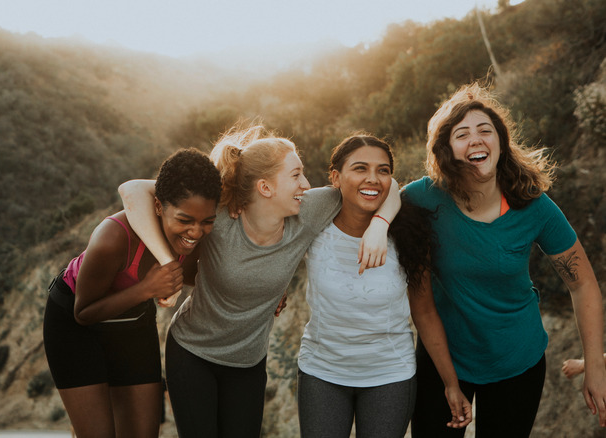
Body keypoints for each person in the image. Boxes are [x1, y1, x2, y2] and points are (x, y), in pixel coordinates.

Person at [118, 125, 400, 438]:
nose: (306, 184)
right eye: (295, 175)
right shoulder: (221, 215)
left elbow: (387, 185)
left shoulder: (309, 211)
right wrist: (168, 263)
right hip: (192, 353)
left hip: (248, 364)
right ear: (265, 187)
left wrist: (379, 225)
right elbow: (132, 190)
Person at [404, 83, 606, 437]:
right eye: (462, 134)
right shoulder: (424, 198)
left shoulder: (533, 205)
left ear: (500, 141)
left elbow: (583, 283)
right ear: (447, 149)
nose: (476, 139)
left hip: (517, 359)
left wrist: (596, 367)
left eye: (485, 130)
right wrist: (376, 226)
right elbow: (379, 195)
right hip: (443, 359)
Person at [296, 134, 472, 438]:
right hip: (321, 371)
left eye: (383, 170)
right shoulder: (313, 222)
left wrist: (451, 383)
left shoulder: (409, 235)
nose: (373, 179)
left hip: (390, 375)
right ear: (336, 178)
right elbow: (272, 245)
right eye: (360, 168)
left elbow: (425, 313)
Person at [42, 148, 222, 438]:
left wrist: (267, 294)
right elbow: (83, 313)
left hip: (132, 322)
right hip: (74, 325)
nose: (196, 232)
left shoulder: (195, 240)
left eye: (207, 222)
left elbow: (211, 277)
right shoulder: (113, 237)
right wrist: (147, 288)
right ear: (159, 207)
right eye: (185, 220)